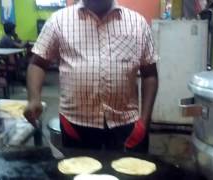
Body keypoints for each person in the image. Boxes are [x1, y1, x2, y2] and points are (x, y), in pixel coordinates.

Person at [24, 0, 158, 153]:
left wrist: (145, 121)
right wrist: (34, 98)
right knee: (79, 174)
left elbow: (150, 74)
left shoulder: (137, 23)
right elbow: (38, 63)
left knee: (129, 175)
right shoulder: (58, 21)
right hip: (75, 124)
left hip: (126, 125)